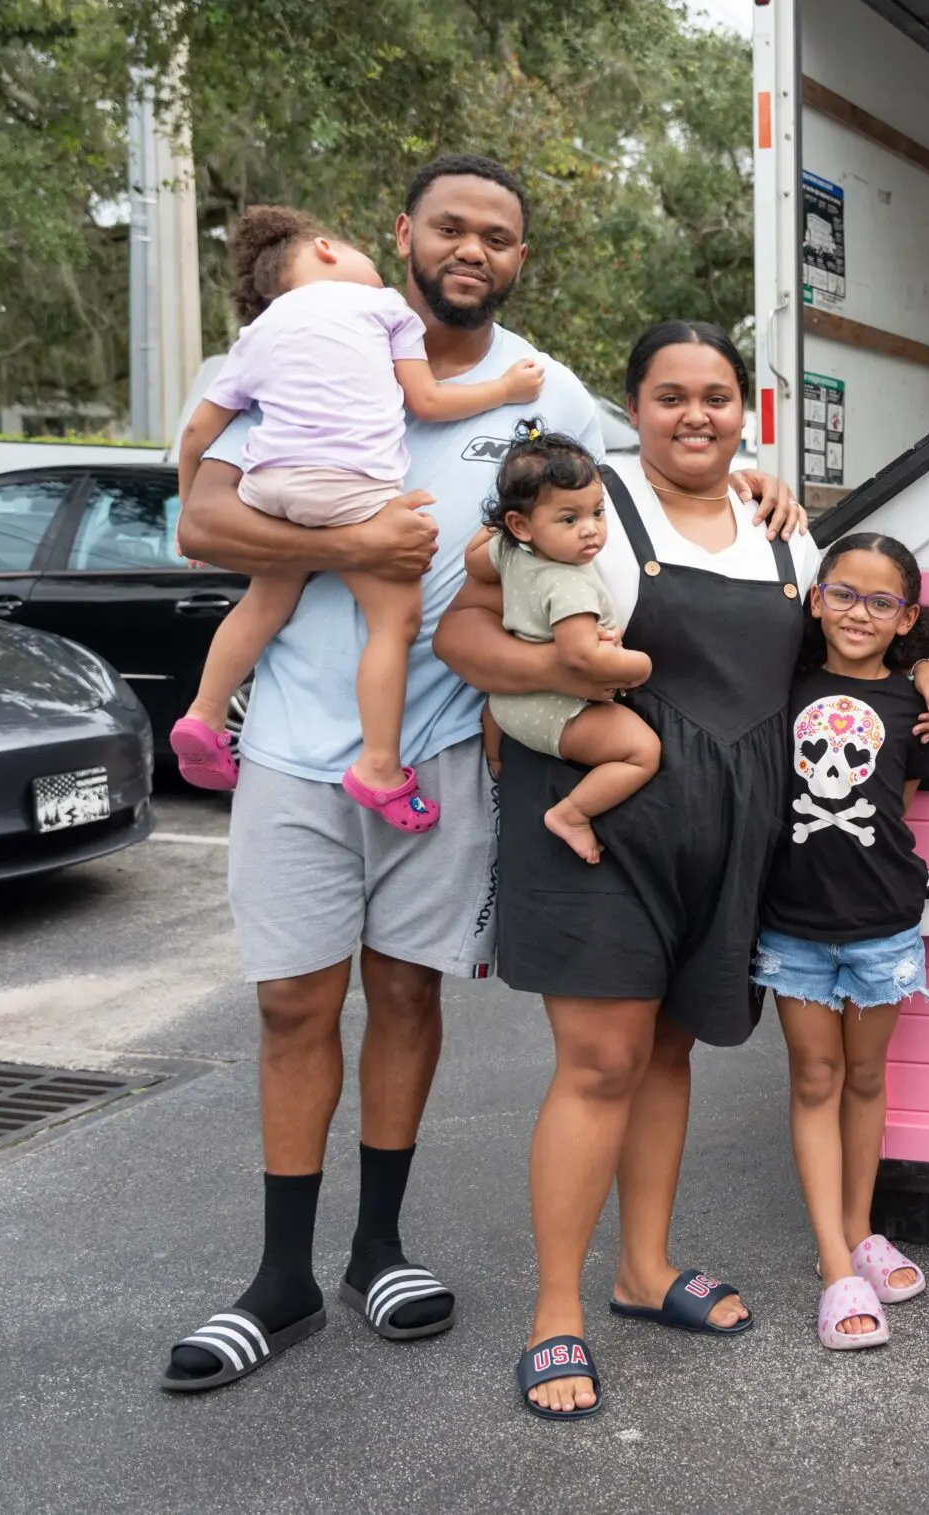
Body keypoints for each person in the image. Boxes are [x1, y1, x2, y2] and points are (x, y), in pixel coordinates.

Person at [158, 156, 803, 1396]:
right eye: (451, 227)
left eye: (498, 237)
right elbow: (201, 521)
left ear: (519, 259)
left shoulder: (543, 392)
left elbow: (631, 490)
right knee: (293, 1008)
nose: (473, 250)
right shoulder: (303, 342)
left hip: (446, 750)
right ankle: (279, 1279)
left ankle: (380, 1252)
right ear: (402, 232)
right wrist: (358, 539)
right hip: (292, 742)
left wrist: (753, 478)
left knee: (408, 998)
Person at [431, 322, 929, 1421]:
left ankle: (645, 1269)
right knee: (601, 1060)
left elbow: (850, 640)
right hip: (600, 821)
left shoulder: (786, 536)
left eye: (716, 396)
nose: (694, 416)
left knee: (667, 1049)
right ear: (633, 408)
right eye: (669, 396)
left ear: (744, 411)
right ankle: (554, 1313)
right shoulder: (585, 509)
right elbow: (461, 635)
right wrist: (565, 667)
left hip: (730, 831)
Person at [168, 205, 547, 829]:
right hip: (351, 487)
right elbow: (426, 401)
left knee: (265, 601)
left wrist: (189, 506)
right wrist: (505, 391)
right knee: (394, 622)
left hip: (270, 486)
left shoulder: (259, 331)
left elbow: (196, 435)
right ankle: (378, 765)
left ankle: (204, 715)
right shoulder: (384, 307)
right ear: (325, 249)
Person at [756, 532, 929, 1352]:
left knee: (867, 1076)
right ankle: (835, 1263)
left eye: (881, 601)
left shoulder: (919, 703)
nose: (858, 613)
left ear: (906, 617)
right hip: (794, 926)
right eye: (842, 593)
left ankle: (861, 1229)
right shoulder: (781, 685)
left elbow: (895, 802)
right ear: (816, 598)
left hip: (884, 924)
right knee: (816, 1079)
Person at [461, 424, 661, 863]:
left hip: (502, 704)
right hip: (552, 709)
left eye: (597, 513)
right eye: (570, 519)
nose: (590, 530)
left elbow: (473, 562)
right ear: (522, 525)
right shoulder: (569, 583)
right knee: (643, 752)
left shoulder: (511, 551)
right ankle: (572, 814)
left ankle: (496, 761)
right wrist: (639, 665)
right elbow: (579, 657)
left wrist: (503, 520)